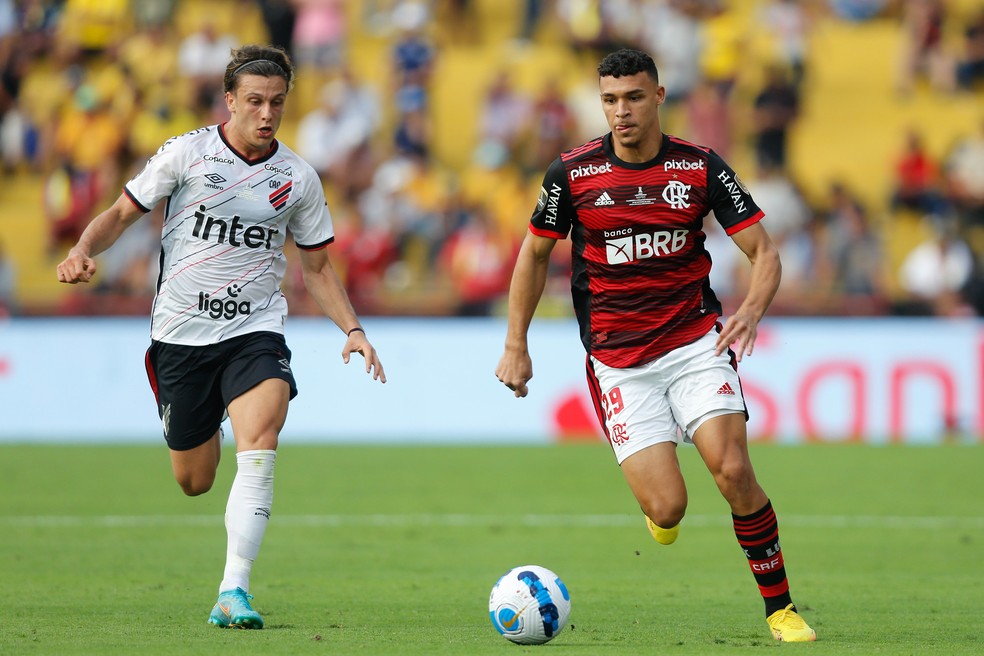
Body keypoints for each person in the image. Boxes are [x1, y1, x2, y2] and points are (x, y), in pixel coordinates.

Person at [55, 44, 386, 629]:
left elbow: (316, 268)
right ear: (230, 101)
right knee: (195, 480)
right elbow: (121, 214)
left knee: (261, 439)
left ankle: (234, 590)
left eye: (277, 103)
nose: (266, 114)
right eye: (254, 101)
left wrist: (353, 329)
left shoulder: (298, 178)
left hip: (254, 330)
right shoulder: (186, 155)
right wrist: (82, 249)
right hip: (181, 336)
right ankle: (197, 434)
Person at [495, 48, 816, 642]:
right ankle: (659, 512)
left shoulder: (699, 168)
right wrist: (517, 343)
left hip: (695, 340)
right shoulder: (573, 174)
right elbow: (534, 254)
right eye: (611, 100)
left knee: (733, 469)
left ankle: (781, 608)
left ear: (659, 97)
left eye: (635, 97)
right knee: (668, 508)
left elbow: (764, 253)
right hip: (619, 362)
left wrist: (750, 311)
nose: (623, 112)